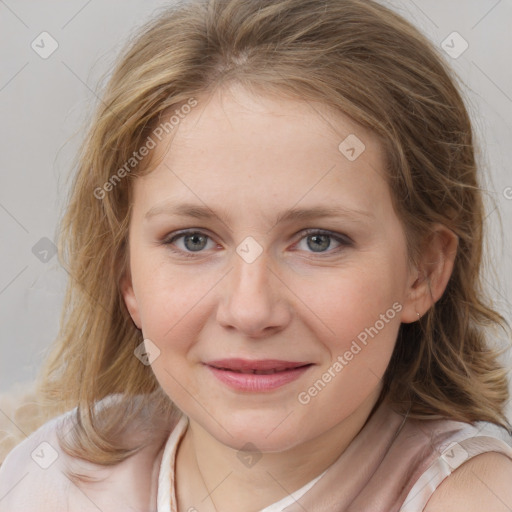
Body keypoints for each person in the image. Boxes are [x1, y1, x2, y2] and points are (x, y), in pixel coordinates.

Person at [1, 0, 511, 510]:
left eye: (319, 240)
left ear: (423, 272)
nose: (249, 311)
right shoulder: (56, 477)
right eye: (193, 240)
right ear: (126, 274)